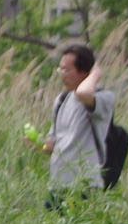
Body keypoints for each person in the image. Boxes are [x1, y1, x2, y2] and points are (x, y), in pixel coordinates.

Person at [41, 43, 115, 206]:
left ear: (84, 72)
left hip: (84, 186)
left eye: (66, 70)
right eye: (60, 70)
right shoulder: (61, 100)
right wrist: (37, 144)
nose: (62, 75)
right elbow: (52, 145)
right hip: (58, 186)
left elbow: (83, 93)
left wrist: (95, 74)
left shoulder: (102, 97)